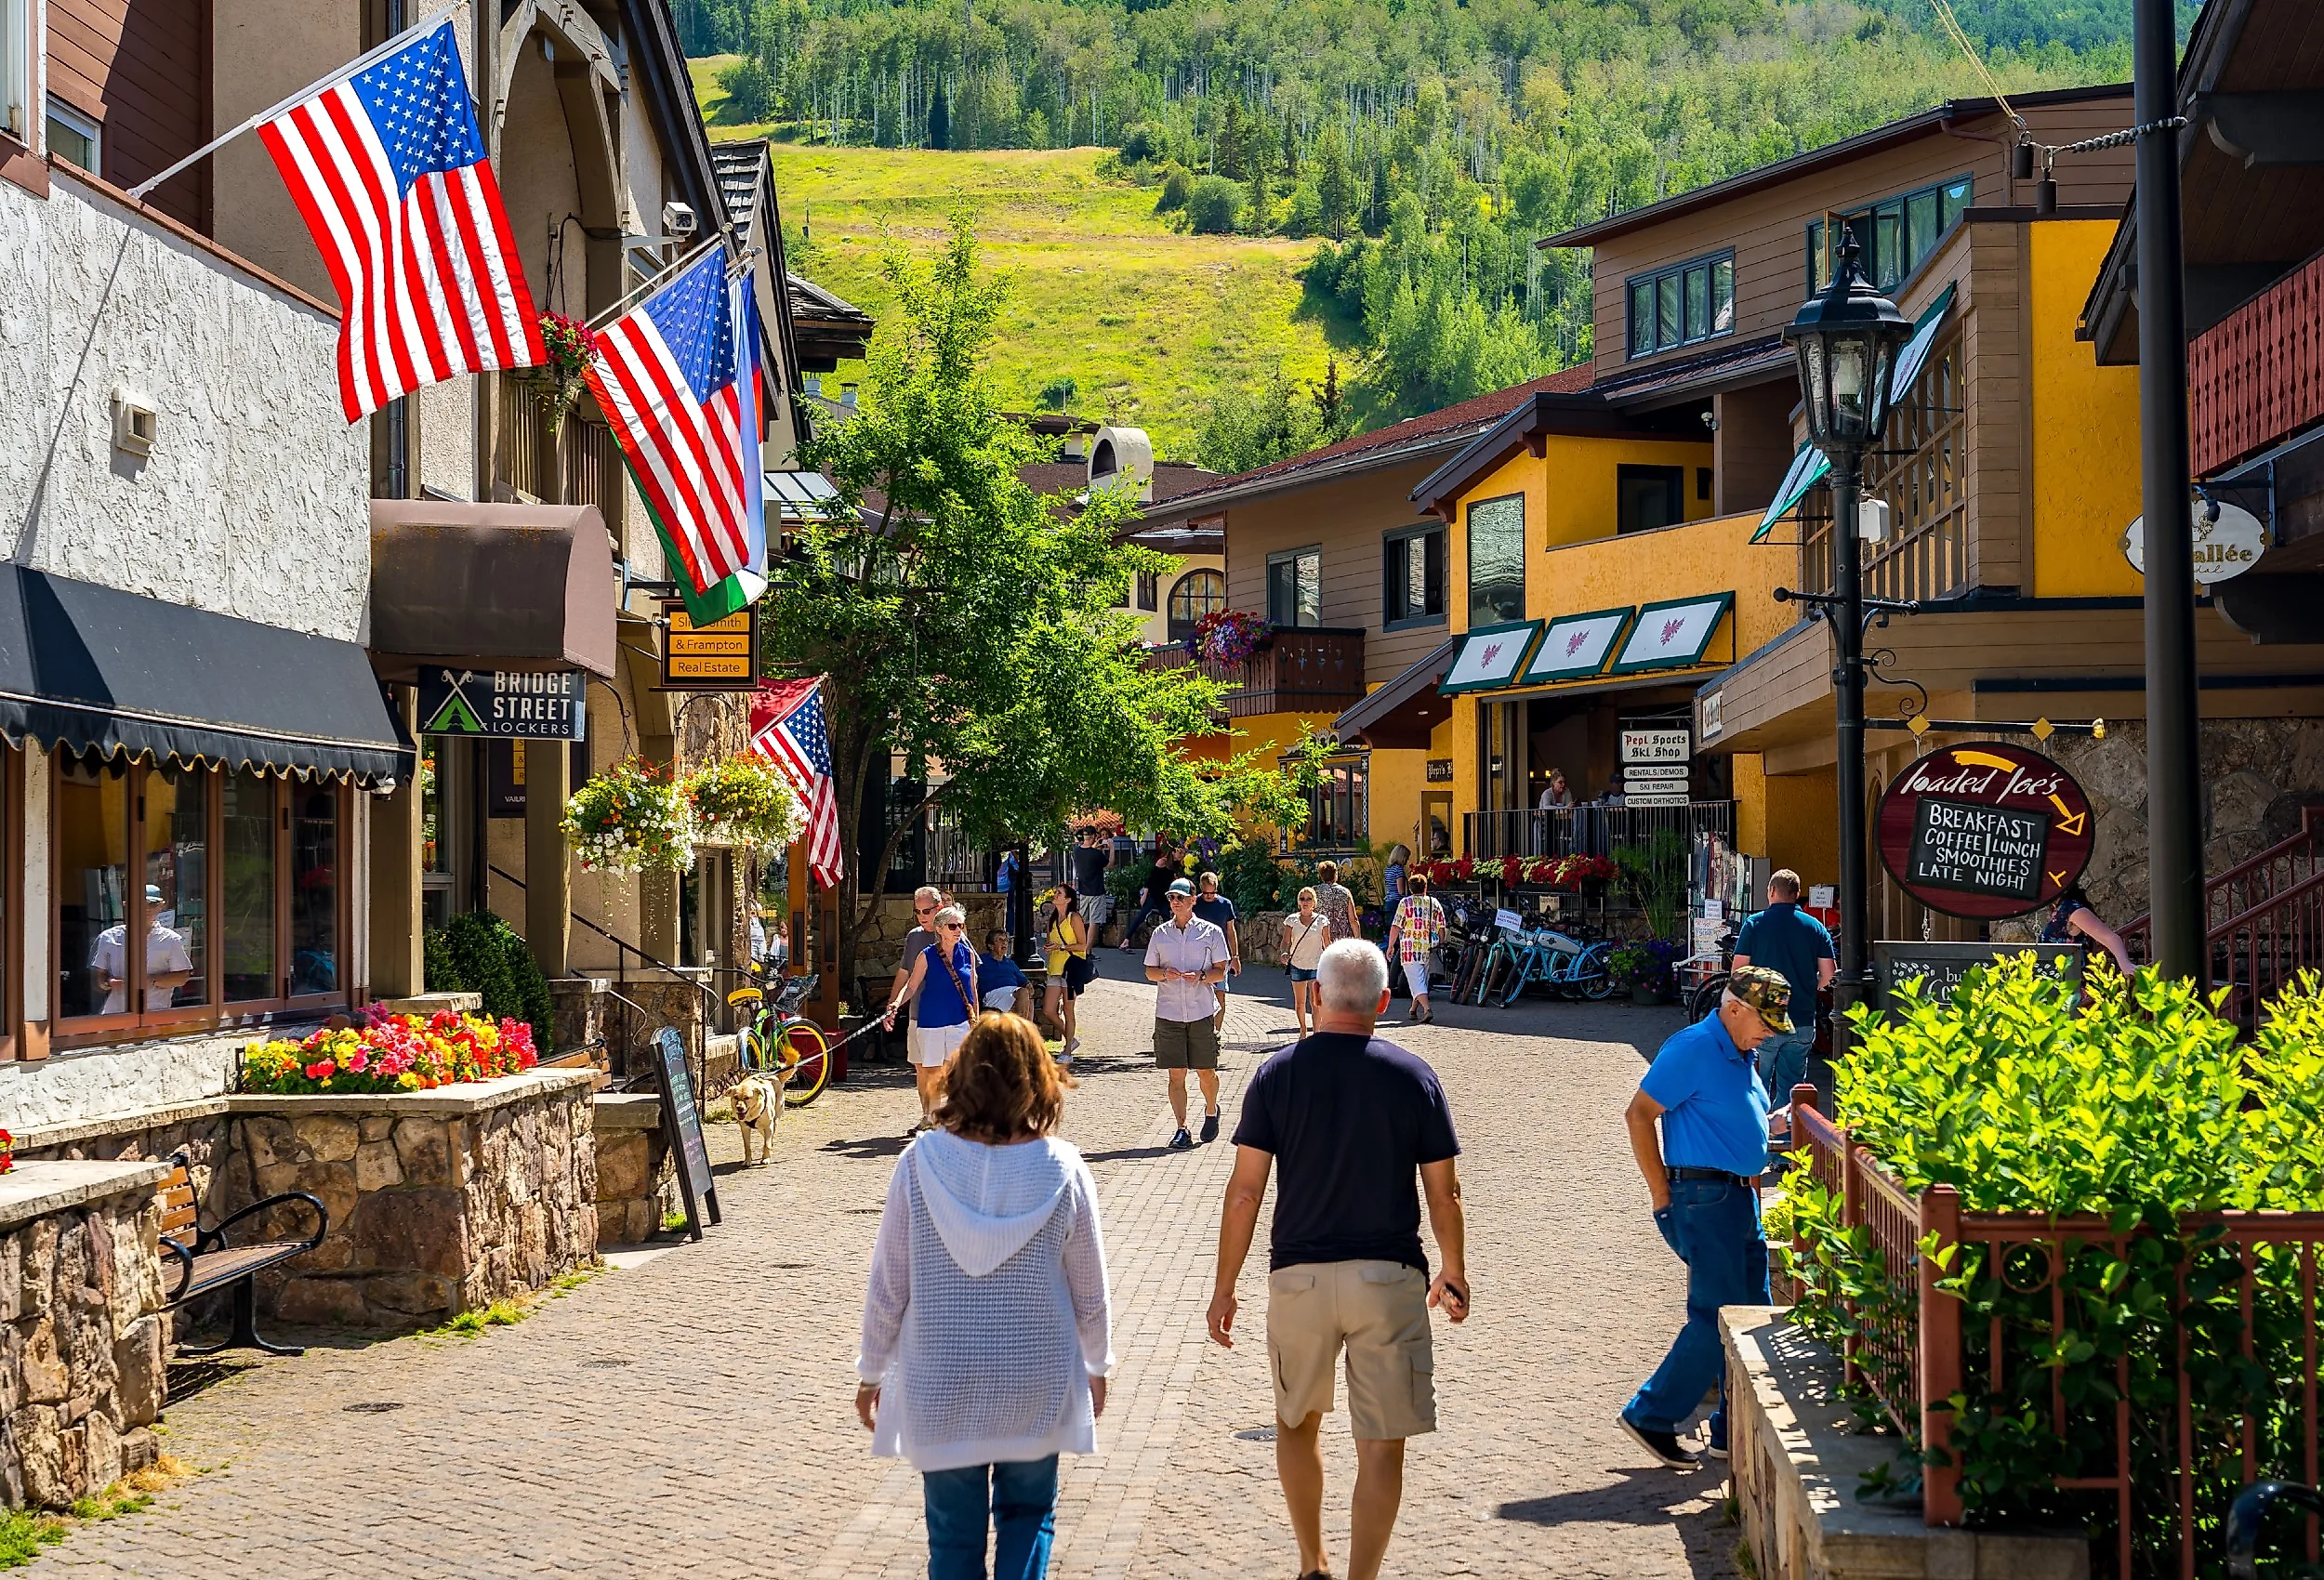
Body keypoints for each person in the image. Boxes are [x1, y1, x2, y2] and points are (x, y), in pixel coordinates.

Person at [1208, 940, 1469, 1580]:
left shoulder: (1276, 1074)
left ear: (1318, 996)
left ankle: (1311, 1562)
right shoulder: (1414, 1077)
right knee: (1382, 1446)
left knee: (1296, 1424)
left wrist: (1225, 1286)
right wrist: (1453, 1268)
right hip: (1389, 1279)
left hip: (1299, 1277)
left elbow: (1245, 1192)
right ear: (1384, 1001)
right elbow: (1444, 1192)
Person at [857, 1014, 1114, 1580]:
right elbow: (1090, 1291)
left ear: (962, 1076)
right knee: (1029, 1516)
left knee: (953, 1538)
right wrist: (1097, 1364)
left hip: (941, 1377)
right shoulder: (1064, 1168)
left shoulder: (918, 1164)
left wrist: (871, 1371)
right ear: (1038, 1079)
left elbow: (889, 1285)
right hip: (1034, 1376)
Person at [1618, 966, 1788, 1471]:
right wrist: (1660, 1194)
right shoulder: (1694, 1047)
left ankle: (1729, 1430)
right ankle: (1651, 1415)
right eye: (1766, 1021)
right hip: (1704, 1198)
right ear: (1734, 1008)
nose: (1771, 1032)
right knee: (1717, 1317)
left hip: (1736, 1198)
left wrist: (1771, 1124)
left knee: (1753, 1316)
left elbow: (1728, 1120)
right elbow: (1638, 1114)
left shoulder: (1740, 1052)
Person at [1730, 869, 1838, 1113]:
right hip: (1801, 1020)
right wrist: (1811, 986)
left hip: (1761, 1021)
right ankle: (1785, 1135)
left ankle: (1759, 1133)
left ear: (1771, 891)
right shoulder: (1815, 927)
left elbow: (1738, 972)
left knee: (1756, 1087)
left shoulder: (1754, 924)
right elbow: (1829, 974)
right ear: (1797, 894)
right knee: (1792, 1092)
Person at [1144, 878, 1230, 1151]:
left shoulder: (1211, 932)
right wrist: (1163, 973)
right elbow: (1149, 971)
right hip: (1169, 1012)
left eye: (1180, 897)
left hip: (1200, 1011)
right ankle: (1182, 1129)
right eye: (1171, 898)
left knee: (1206, 1072)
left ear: (1194, 899)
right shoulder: (1160, 934)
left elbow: (1221, 971)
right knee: (1176, 1074)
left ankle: (1211, 1110)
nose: (1175, 902)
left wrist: (1202, 976)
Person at [885, 905, 980, 1135]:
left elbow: (972, 990)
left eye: (960, 925)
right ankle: (933, 1120)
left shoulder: (967, 954)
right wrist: (896, 1003)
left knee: (956, 1073)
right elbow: (912, 986)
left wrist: (975, 1020)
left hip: (959, 1022)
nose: (958, 930)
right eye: (953, 926)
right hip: (931, 1023)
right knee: (933, 1073)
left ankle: (953, 1119)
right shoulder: (926, 955)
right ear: (940, 929)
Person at [93, 886, 194, 1014]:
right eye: (139, 904)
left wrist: (151, 980)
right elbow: (97, 979)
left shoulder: (171, 939)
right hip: (114, 1015)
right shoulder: (108, 937)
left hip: (154, 1015)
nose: (146, 908)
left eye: (152, 904)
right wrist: (108, 983)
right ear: (126, 905)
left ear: (161, 906)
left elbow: (182, 977)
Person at [887, 886, 946, 1066]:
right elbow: (905, 973)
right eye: (917, 911)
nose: (921, 916)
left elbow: (971, 976)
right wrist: (892, 1005)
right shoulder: (913, 937)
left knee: (941, 1070)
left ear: (939, 908)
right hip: (917, 1014)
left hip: (944, 1016)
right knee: (920, 1069)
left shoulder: (952, 935)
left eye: (926, 911)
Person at [1382, 873, 1447, 1024]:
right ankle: (1413, 1010)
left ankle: (1427, 1009)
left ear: (1410, 888)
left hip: (1409, 948)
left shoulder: (1405, 903)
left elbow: (1396, 925)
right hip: (1429, 947)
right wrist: (1441, 942)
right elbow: (1441, 926)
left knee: (1416, 981)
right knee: (1421, 980)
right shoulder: (1433, 902)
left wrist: (1390, 946)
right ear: (1425, 887)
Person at [1041, 885, 1093, 1062]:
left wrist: (1062, 947)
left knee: (1068, 1009)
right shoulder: (1053, 920)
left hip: (1071, 971)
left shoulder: (1074, 918)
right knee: (1048, 1010)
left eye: (1059, 893)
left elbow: (1082, 945)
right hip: (1055, 969)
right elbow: (1052, 942)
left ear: (1068, 899)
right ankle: (1071, 1038)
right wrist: (1050, 947)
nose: (1055, 895)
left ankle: (1068, 1051)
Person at [2040, 883, 2135, 980]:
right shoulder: (2060, 910)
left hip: (2073, 981)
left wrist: (2125, 965)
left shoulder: (2072, 909)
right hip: (2059, 980)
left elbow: (2109, 937)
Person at [1193, 870, 1241, 1034]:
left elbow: (1231, 931)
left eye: (1212, 893)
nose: (1209, 896)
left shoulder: (1225, 904)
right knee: (1198, 996)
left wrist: (1235, 957)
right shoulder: (1194, 904)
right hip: (1198, 956)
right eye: (1206, 893)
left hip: (1220, 956)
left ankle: (1216, 1034)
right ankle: (1201, 1033)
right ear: (1201, 889)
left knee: (1220, 996)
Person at [1118, 836, 1182, 952]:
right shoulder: (1162, 862)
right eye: (1179, 853)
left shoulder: (1176, 865)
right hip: (1153, 894)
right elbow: (1151, 879)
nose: (1181, 855)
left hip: (1163, 896)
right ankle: (1126, 941)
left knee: (1167, 918)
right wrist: (1144, 895)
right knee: (1141, 917)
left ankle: (1173, 944)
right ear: (1173, 852)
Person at [1281, 889, 1329, 1038]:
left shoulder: (1321, 920)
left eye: (1309, 899)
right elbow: (1285, 941)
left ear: (1314, 902)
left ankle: (1316, 1033)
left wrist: (1332, 961)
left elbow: (1327, 943)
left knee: (1315, 1002)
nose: (1305, 902)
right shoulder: (1292, 920)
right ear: (1299, 902)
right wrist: (1284, 952)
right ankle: (1303, 1030)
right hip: (1297, 965)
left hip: (1316, 964)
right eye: (1302, 899)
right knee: (1300, 1003)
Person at [981, 928, 1033, 1017]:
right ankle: (1020, 1025)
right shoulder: (981, 961)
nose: (1004, 943)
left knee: (1027, 997)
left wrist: (1028, 985)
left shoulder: (1010, 963)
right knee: (1023, 993)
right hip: (992, 994)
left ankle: (1021, 1023)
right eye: (1000, 940)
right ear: (991, 946)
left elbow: (1024, 980)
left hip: (1011, 993)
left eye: (1006, 940)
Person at [1314, 860, 1359, 943]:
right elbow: (1353, 920)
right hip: (1342, 940)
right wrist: (1358, 940)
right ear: (1335, 874)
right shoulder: (1345, 892)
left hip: (1322, 939)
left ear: (1321, 876)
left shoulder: (1315, 892)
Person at [1381, 844, 1410, 916]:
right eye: (1407, 858)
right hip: (1396, 903)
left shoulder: (1388, 869)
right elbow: (1401, 891)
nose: (1407, 860)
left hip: (1388, 902)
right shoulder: (1399, 869)